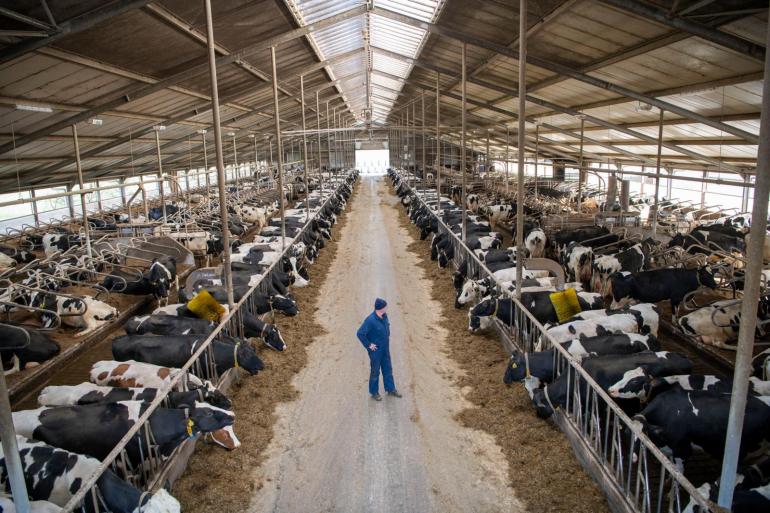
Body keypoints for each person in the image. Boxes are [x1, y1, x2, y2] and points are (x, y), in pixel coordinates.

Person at [356, 298, 402, 401]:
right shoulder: (370, 320)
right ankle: (374, 392)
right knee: (375, 371)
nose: (387, 308)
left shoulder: (385, 316)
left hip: (385, 349)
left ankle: (390, 389)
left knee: (388, 369)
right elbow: (360, 333)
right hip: (376, 352)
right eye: (385, 306)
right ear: (381, 308)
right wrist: (368, 345)